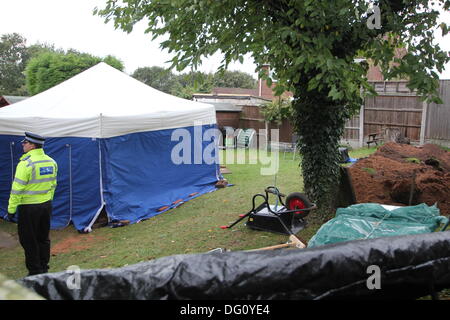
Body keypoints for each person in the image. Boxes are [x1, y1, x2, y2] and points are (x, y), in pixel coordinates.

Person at [7, 132, 58, 276]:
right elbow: (53, 184)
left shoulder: (26, 163)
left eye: (25, 142)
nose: (23, 144)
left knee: (28, 240)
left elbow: (17, 189)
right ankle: (44, 267)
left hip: (29, 208)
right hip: (46, 206)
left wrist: (11, 210)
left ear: (32, 145)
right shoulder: (51, 162)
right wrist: (48, 201)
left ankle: (35, 272)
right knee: (43, 237)